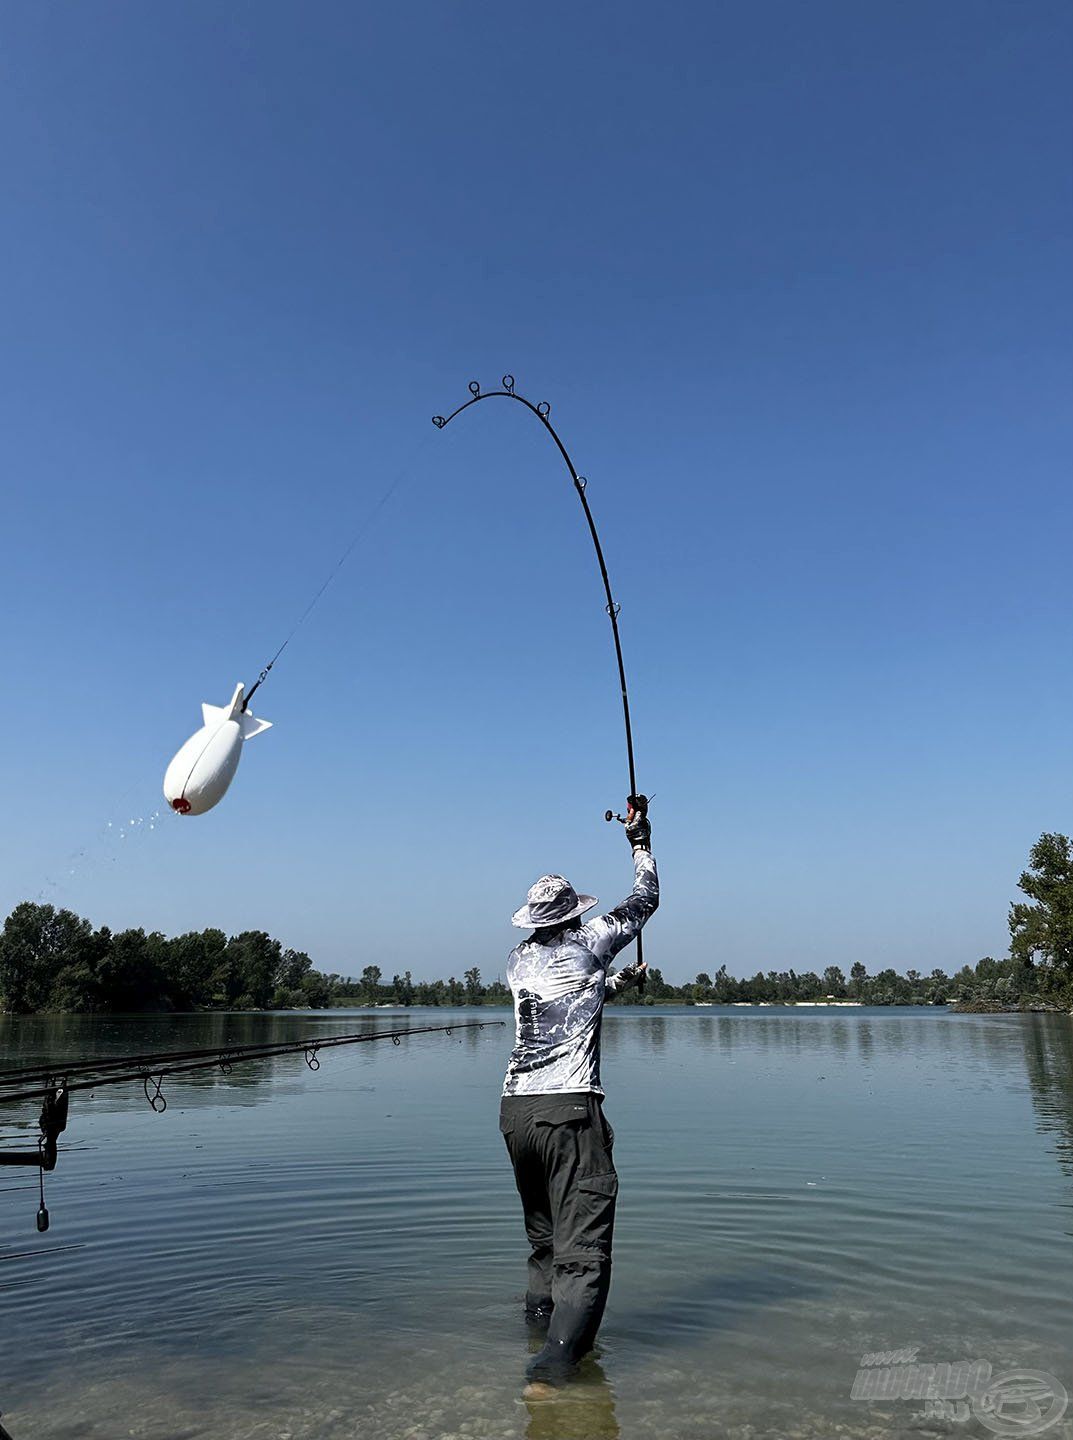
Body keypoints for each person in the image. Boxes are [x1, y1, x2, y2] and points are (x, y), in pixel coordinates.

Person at [499, 795, 659, 1390]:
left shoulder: (518, 961)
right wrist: (640, 841)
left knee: (544, 1245)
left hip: (516, 1114)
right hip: (569, 1112)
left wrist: (615, 983)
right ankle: (553, 1370)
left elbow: (567, 998)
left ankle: (537, 1333)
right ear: (572, 917)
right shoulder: (589, 942)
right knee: (583, 1253)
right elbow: (646, 902)